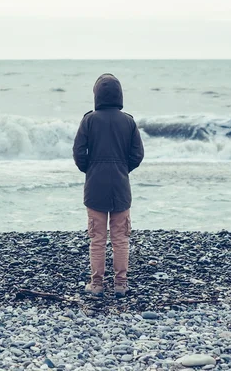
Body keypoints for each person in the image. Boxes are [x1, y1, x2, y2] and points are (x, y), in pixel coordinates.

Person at [73, 73, 144, 298]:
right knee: (121, 238)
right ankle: (121, 285)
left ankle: (96, 285)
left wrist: (90, 169)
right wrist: (124, 169)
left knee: (97, 238)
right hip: (121, 186)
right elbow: (137, 154)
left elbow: (78, 152)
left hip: (95, 186)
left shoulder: (89, 120)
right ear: (119, 95)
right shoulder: (129, 121)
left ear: (97, 95)